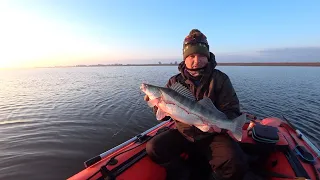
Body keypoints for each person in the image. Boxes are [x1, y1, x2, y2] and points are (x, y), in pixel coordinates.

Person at [144, 29, 248, 180]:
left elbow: (232, 109)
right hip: (184, 133)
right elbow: (165, 117)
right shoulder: (174, 82)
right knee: (154, 148)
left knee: (236, 163)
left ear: (208, 56)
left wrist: (224, 123)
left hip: (213, 134)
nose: (196, 60)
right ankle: (182, 172)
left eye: (201, 55)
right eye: (191, 56)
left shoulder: (220, 79)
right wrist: (156, 105)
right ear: (185, 58)